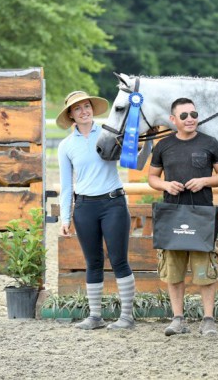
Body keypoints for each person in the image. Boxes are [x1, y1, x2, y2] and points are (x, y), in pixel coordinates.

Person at [148, 98, 218, 336]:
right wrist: (165, 185)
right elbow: (152, 178)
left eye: (193, 114)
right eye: (183, 116)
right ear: (173, 120)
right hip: (172, 213)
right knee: (173, 272)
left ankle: (208, 320)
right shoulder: (163, 146)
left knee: (205, 272)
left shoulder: (210, 143)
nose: (190, 119)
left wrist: (205, 180)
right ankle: (178, 319)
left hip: (201, 214)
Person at [57, 91, 135, 330]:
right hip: (84, 207)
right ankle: (95, 316)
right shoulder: (66, 146)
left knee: (119, 260)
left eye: (87, 106)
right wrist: (65, 217)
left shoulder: (108, 134)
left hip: (113, 204)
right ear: (71, 115)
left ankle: (127, 317)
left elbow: (131, 158)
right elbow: (66, 184)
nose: (84, 111)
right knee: (93, 261)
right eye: (78, 108)